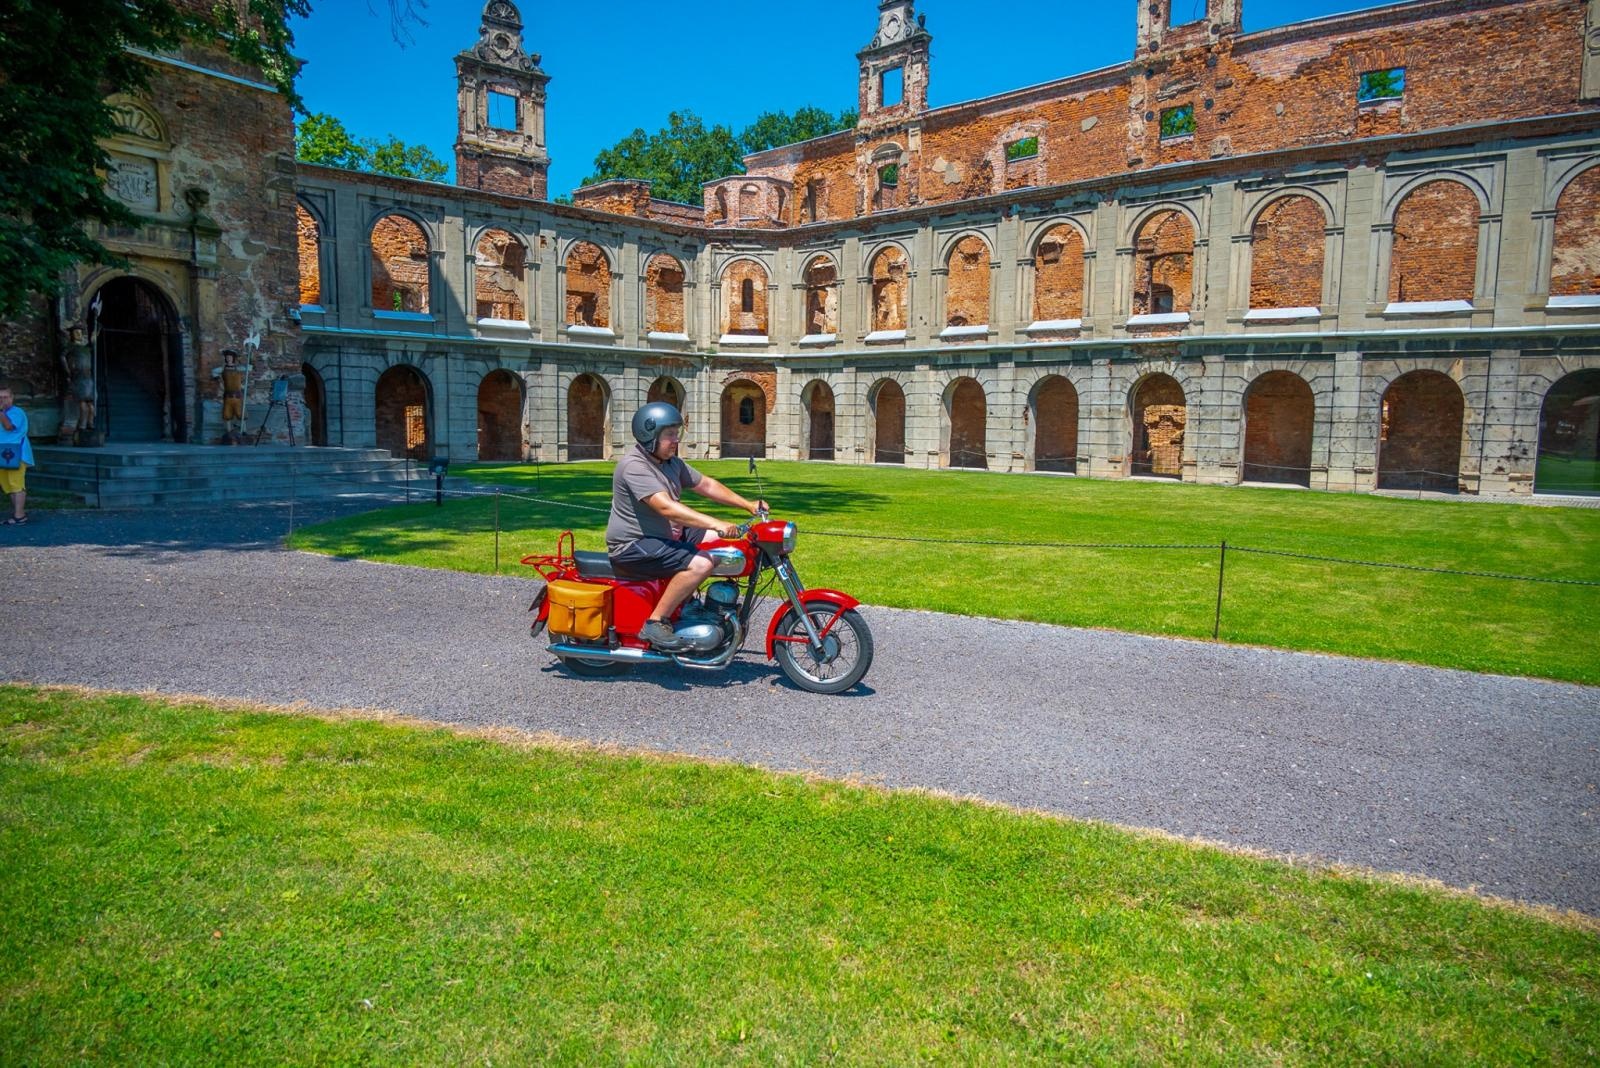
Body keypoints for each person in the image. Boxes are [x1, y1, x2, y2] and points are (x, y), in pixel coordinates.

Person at [607, 401, 766, 651]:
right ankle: (655, 622)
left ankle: (695, 605)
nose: (676, 440)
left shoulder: (671, 463)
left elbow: (706, 485)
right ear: (649, 435)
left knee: (722, 542)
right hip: (633, 544)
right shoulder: (634, 466)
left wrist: (747, 505)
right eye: (670, 434)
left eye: (677, 433)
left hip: (663, 535)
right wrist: (715, 522)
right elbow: (666, 508)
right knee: (701, 563)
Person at [0, 382, 35, 525]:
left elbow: (9, 427)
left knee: (16, 484)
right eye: (0, 397)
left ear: (12, 398)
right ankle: (17, 513)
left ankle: (20, 516)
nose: (2, 400)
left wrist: (0, 412)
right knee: (8, 485)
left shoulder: (17, 412)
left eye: (5, 397)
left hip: (16, 453)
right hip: (3, 453)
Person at [212, 348, 250, 444]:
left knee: (241, 414)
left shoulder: (239, 368)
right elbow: (214, 372)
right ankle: (229, 432)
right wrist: (217, 378)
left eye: (230, 357)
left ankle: (243, 431)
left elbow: (249, 368)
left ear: (233, 358)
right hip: (228, 395)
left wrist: (247, 359)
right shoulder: (223, 369)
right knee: (227, 414)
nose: (229, 358)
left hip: (237, 395)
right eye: (227, 357)